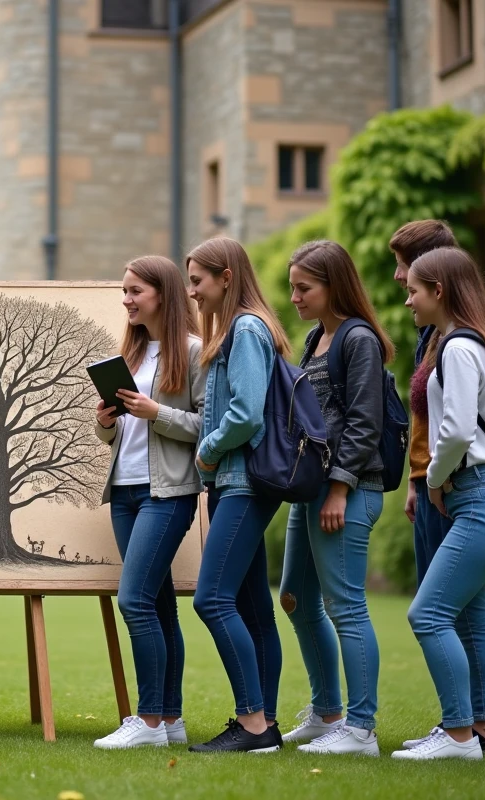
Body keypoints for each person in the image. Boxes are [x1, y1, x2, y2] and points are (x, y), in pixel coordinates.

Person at [395, 247, 485, 760]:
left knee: (429, 614)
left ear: (439, 291)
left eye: (414, 290)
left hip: (481, 496)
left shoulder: (457, 347)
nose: (408, 300)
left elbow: (456, 431)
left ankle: (459, 734)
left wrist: (435, 479)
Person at [277, 240, 394, 756]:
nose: (295, 297)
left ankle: (361, 729)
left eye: (304, 288)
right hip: (312, 490)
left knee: (346, 606)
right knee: (295, 598)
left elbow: (366, 423)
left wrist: (341, 487)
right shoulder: (314, 339)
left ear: (333, 285)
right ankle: (327, 714)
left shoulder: (358, 339)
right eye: (292, 287)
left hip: (348, 490)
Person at [91, 256, 205, 750]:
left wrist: (157, 412)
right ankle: (170, 719)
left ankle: (150, 721)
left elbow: (209, 426)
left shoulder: (195, 352)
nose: (127, 300)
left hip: (168, 492)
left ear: (164, 293)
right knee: (158, 605)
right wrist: (106, 422)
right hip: (124, 491)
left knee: (133, 600)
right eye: (125, 291)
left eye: (135, 291)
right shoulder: (131, 354)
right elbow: (115, 434)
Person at [184, 236, 292, 754]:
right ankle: (264, 724)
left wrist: (207, 449)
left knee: (211, 599)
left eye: (197, 281)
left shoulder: (246, 329)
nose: (192, 292)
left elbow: (247, 413)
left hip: (243, 482)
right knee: (253, 608)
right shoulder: (240, 328)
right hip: (238, 482)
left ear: (226, 277)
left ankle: (252, 723)